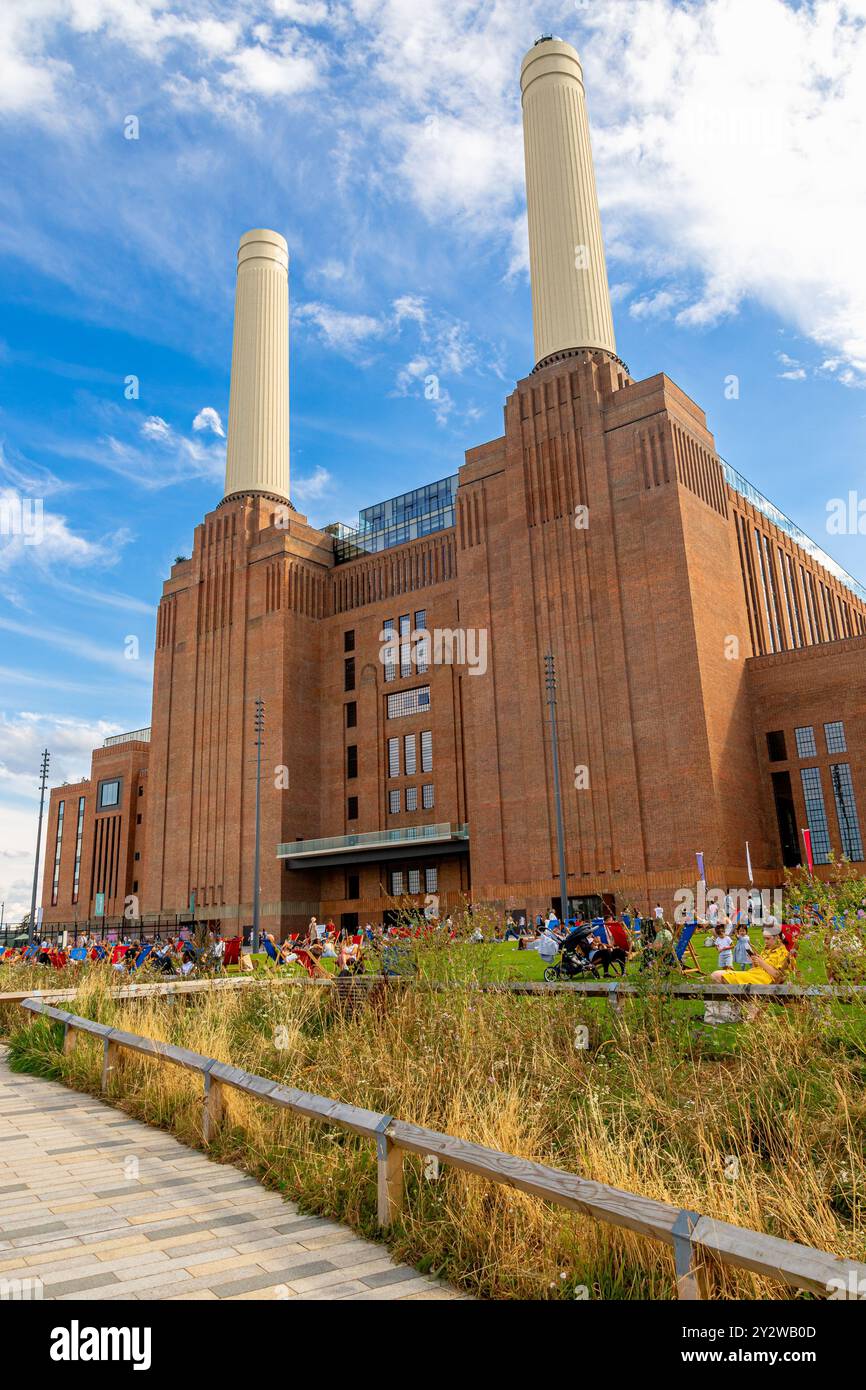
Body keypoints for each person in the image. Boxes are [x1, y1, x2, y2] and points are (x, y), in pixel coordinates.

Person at [711, 923, 791, 985]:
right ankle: (732, 1004)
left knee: (717, 975)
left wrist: (761, 962)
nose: (765, 942)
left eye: (768, 939)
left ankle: (731, 1004)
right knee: (716, 975)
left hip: (761, 981)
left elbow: (779, 976)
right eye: (764, 939)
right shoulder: (767, 949)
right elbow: (756, 968)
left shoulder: (784, 954)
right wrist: (754, 961)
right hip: (753, 975)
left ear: (777, 937)